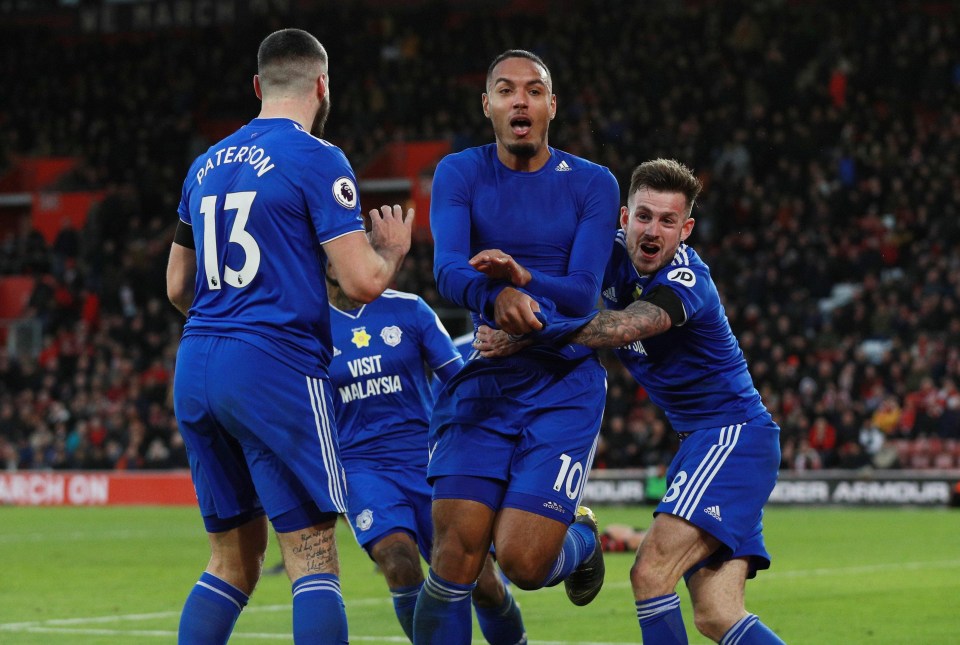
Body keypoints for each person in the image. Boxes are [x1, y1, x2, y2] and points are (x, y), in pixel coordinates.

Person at [165, 28, 413, 645]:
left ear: (258, 86)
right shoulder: (317, 157)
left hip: (196, 361)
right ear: (322, 85)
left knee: (233, 560)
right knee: (310, 551)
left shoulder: (205, 164)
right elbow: (359, 283)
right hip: (272, 366)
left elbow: (175, 286)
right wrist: (391, 252)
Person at [477, 159, 786, 644]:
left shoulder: (688, 281)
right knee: (716, 614)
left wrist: (526, 337)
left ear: (685, 230)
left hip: (732, 437)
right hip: (705, 441)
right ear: (623, 218)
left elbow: (627, 326)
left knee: (650, 574)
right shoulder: (606, 255)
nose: (653, 230)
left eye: (667, 221)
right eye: (644, 216)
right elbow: (556, 277)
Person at [413, 49, 621, 644]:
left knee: (524, 564)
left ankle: (580, 540)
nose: (520, 101)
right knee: (454, 558)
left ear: (551, 106)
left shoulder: (592, 183)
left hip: (564, 385)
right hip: (488, 383)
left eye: (533, 90)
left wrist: (520, 282)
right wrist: (492, 296)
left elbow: (583, 295)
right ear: (488, 105)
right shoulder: (460, 172)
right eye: (506, 90)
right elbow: (447, 269)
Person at [325, 262, 527, 644]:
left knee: (482, 581)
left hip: (429, 460)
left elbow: (458, 379)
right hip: (359, 467)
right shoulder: (308, 326)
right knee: (398, 562)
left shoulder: (409, 309)